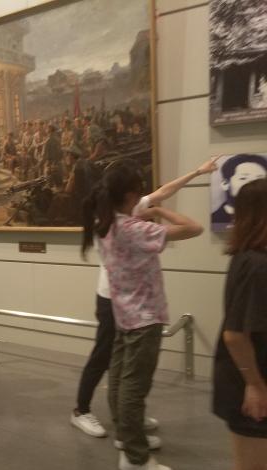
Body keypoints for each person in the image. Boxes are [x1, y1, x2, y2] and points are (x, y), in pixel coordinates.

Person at [71, 158, 218, 438]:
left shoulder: (115, 212)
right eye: (137, 190)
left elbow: (162, 193)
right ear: (127, 194)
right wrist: (158, 210)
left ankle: (127, 421)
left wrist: (197, 172)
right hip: (115, 300)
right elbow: (186, 224)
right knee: (111, 361)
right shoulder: (118, 222)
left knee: (123, 367)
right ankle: (84, 410)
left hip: (125, 299)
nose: (142, 196)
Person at [213, 178, 267, 470]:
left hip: (252, 377)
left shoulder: (249, 257)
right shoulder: (256, 265)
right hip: (249, 382)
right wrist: (255, 384)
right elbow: (234, 335)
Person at [211, 154, 267, 229]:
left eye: (259, 179)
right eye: (243, 178)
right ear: (225, 184)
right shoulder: (216, 218)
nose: (252, 184)